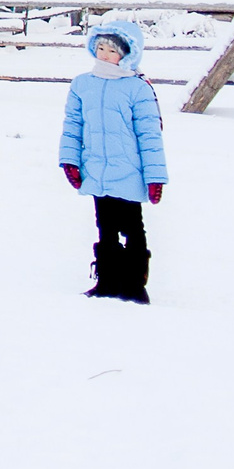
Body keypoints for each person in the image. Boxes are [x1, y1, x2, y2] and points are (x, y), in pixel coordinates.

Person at [58, 18, 167, 303]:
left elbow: (150, 135)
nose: (105, 55)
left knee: (132, 228)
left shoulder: (137, 88)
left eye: (112, 50)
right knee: (104, 227)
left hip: (129, 172)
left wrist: (155, 177)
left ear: (127, 54)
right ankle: (107, 280)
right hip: (96, 170)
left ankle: (133, 284)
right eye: (101, 48)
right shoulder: (83, 84)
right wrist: (70, 161)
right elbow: (73, 125)